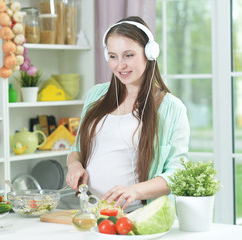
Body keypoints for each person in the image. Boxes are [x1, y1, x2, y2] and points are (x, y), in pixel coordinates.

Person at [66, 16, 190, 212]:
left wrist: (135, 191)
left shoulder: (171, 108)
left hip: (138, 215)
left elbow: (177, 174)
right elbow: (77, 149)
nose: (120, 65)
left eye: (129, 55)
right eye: (113, 56)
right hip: (91, 212)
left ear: (149, 53)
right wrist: (74, 166)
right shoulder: (95, 95)